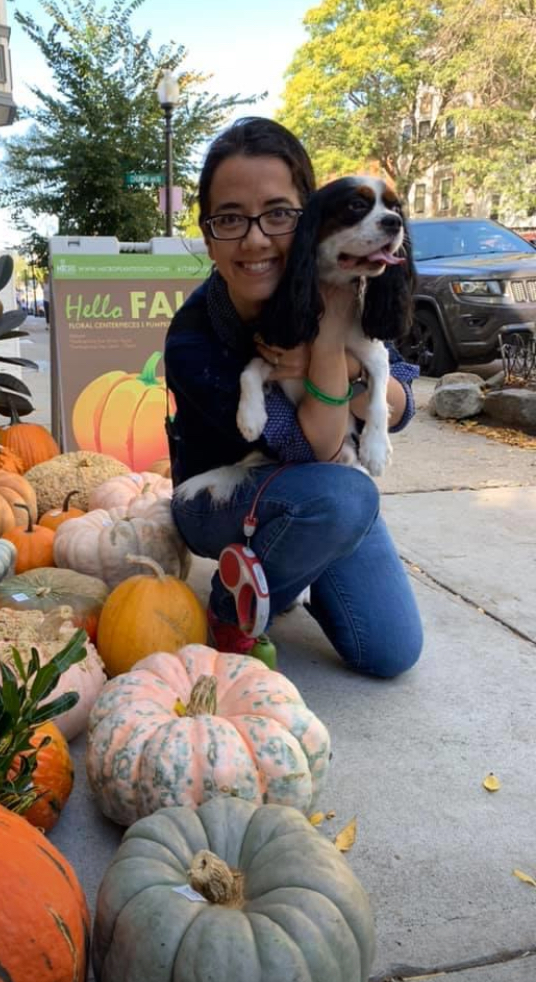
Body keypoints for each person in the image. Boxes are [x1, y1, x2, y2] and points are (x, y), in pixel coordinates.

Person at [165, 117, 423, 678]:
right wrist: (329, 343)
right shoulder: (191, 339)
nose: (257, 239)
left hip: (326, 487)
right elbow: (313, 449)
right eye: (231, 218)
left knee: (390, 650)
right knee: (346, 497)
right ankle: (235, 606)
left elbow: (401, 394)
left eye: (278, 214)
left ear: (306, 220)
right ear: (208, 235)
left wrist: (351, 377)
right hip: (223, 497)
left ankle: (280, 569)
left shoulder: (351, 279)